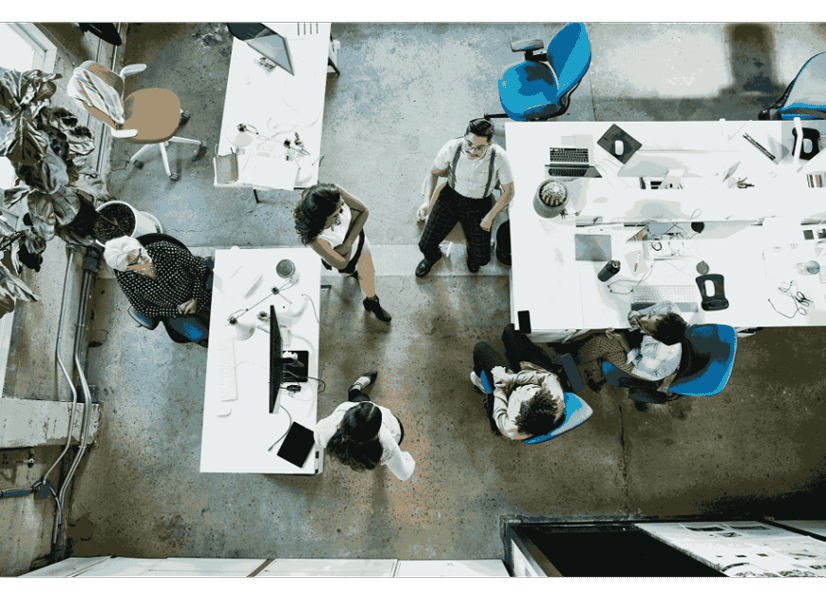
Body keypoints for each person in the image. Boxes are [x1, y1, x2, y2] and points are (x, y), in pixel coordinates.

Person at [416, 118, 514, 277]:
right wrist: (426, 201)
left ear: (490, 144)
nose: (472, 151)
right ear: (464, 136)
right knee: (425, 244)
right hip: (450, 197)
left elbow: (509, 192)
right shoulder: (452, 147)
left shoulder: (499, 158)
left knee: (482, 259)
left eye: (479, 147)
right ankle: (434, 256)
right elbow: (433, 173)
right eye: (469, 144)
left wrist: (490, 216)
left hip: (479, 204)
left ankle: (472, 251)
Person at [294, 183, 391, 322]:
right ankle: (353, 274)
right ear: (321, 218)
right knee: (348, 271)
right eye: (336, 214)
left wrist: (347, 244)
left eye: (342, 205)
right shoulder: (315, 239)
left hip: (359, 243)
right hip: (348, 256)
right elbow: (342, 263)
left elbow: (364, 211)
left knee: (368, 275)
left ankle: (372, 301)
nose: (342, 210)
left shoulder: (334, 194)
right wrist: (353, 222)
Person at [103, 235, 212, 347]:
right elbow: (143, 308)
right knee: (200, 336)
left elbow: (200, 268)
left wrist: (195, 298)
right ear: (125, 268)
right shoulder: (125, 279)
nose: (143, 259)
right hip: (175, 312)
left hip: (200, 292)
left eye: (140, 252)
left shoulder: (165, 250)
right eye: (135, 262)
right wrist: (176, 310)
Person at [471, 324, 566, 440]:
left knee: (481, 348)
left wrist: (500, 383)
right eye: (530, 389)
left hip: (506, 392)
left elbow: (499, 399)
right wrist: (513, 378)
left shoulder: (509, 427)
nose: (520, 388)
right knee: (511, 330)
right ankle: (515, 362)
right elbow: (545, 377)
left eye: (518, 398)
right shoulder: (554, 398)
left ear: (517, 417)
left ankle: (481, 380)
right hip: (532, 373)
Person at [314, 372, 415, 481]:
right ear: (377, 431)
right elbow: (404, 474)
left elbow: (318, 436)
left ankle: (356, 387)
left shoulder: (341, 412)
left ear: (346, 417)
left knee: (357, 396)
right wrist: (404, 456)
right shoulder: (387, 442)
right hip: (383, 443)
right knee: (360, 398)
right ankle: (355, 388)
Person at [575, 301, 688, 388]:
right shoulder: (668, 307)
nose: (643, 319)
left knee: (602, 344)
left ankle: (575, 359)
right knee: (606, 337)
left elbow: (639, 364)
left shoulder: (656, 352)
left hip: (645, 368)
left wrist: (621, 340)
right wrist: (635, 318)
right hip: (641, 346)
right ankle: (582, 349)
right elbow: (640, 314)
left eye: (646, 327)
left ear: (653, 337)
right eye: (650, 316)